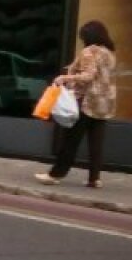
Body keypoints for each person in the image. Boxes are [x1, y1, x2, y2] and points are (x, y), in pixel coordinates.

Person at [35, 20, 117, 189]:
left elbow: (88, 76)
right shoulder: (109, 54)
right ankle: (94, 179)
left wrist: (64, 78)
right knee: (96, 143)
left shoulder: (89, 52)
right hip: (104, 103)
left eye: (83, 36)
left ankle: (55, 174)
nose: (82, 40)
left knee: (70, 140)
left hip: (87, 102)